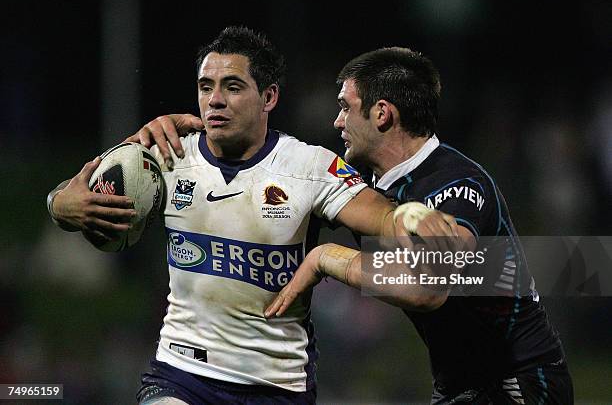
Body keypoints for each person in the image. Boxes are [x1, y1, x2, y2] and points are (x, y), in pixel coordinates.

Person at [46, 28, 457, 405]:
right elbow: (72, 194)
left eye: (233, 86)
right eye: (206, 87)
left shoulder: (309, 167)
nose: (215, 100)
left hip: (276, 384)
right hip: (182, 373)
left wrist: (412, 215)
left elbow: (384, 217)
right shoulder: (166, 155)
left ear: (269, 97)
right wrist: (60, 205)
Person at [263, 47, 574, 404]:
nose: (337, 121)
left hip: (519, 381)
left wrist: (327, 258)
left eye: (345, 107)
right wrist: (195, 146)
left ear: (382, 113)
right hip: (456, 386)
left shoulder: (458, 184)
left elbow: (427, 288)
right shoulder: (367, 189)